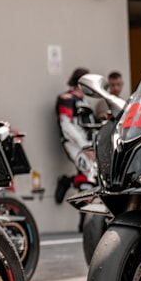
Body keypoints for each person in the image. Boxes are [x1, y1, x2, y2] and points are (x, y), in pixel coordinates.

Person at [54, 67, 99, 204]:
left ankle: (69, 182)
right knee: (89, 178)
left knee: (95, 179)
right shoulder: (66, 98)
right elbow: (66, 126)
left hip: (90, 146)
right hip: (74, 145)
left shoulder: (86, 101)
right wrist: (85, 148)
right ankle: (66, 182)